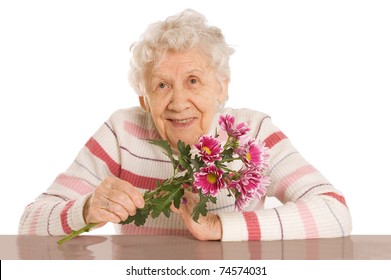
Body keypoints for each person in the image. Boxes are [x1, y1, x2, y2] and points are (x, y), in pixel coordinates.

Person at [18, 9, 351, 241]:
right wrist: (87, 208)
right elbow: (30, 223)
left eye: (193, 81)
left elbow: (335, 213)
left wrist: (220, 227)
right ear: (144, 99)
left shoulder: (254, 131)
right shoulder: (122, 132)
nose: (178, 103)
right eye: (162, 85)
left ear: (222, 86)